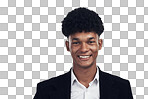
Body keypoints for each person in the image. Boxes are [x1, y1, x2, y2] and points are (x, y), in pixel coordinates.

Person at [34, 7, 133, 99]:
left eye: (90, 42)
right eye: (76, 42)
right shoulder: (45, 90)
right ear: (68, 46)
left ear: (99, 44)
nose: (84, 49)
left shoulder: (122, 88)